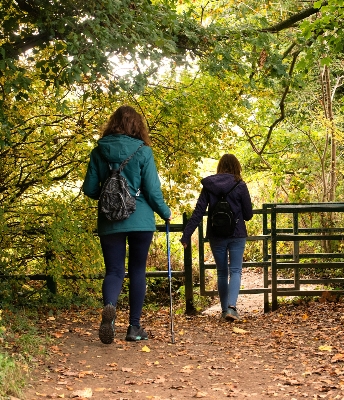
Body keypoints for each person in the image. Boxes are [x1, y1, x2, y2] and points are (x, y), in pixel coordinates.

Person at [83, 105, 171, 344]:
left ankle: (110, 313)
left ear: (112, 123)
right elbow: (152, 191)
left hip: (110, 219)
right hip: (141, 219)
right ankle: (134, 328)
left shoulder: (99, 152)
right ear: (137, 126)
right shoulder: (143, 151)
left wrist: (109, 194)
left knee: (113, 271)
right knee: (137, 271)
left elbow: (90, 189)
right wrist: (165, 212)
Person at [180, 154, 253, 321]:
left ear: (220, 166)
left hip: (216, 235)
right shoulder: (240, 185)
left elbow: (198, 213)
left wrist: (186, 235)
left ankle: (223, 310)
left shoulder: (209, 185)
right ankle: (232, 308)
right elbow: (248, 215)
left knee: (222, 272)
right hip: (237, 234)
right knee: (235, 271)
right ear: (237, 167)